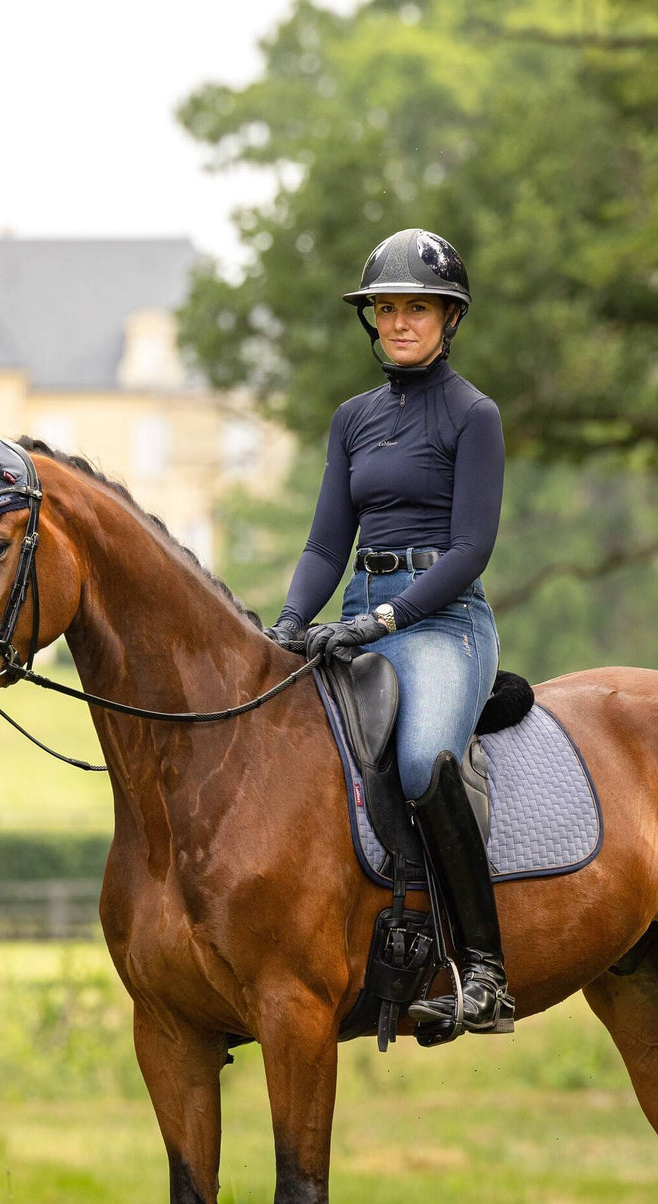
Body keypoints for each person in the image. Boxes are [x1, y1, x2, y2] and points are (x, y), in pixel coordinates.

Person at [264, 227, 512, 1036]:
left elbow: (473, 549)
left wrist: (385, 618)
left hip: (441, 618)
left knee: (419, 761)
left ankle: (483, 970)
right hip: (359, 613)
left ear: (448, 318)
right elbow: (325, 543)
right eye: (386, 309)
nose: (400, 322)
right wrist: (293, 622)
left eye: (417, 308)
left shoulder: (475, 416)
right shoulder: (351, 420)